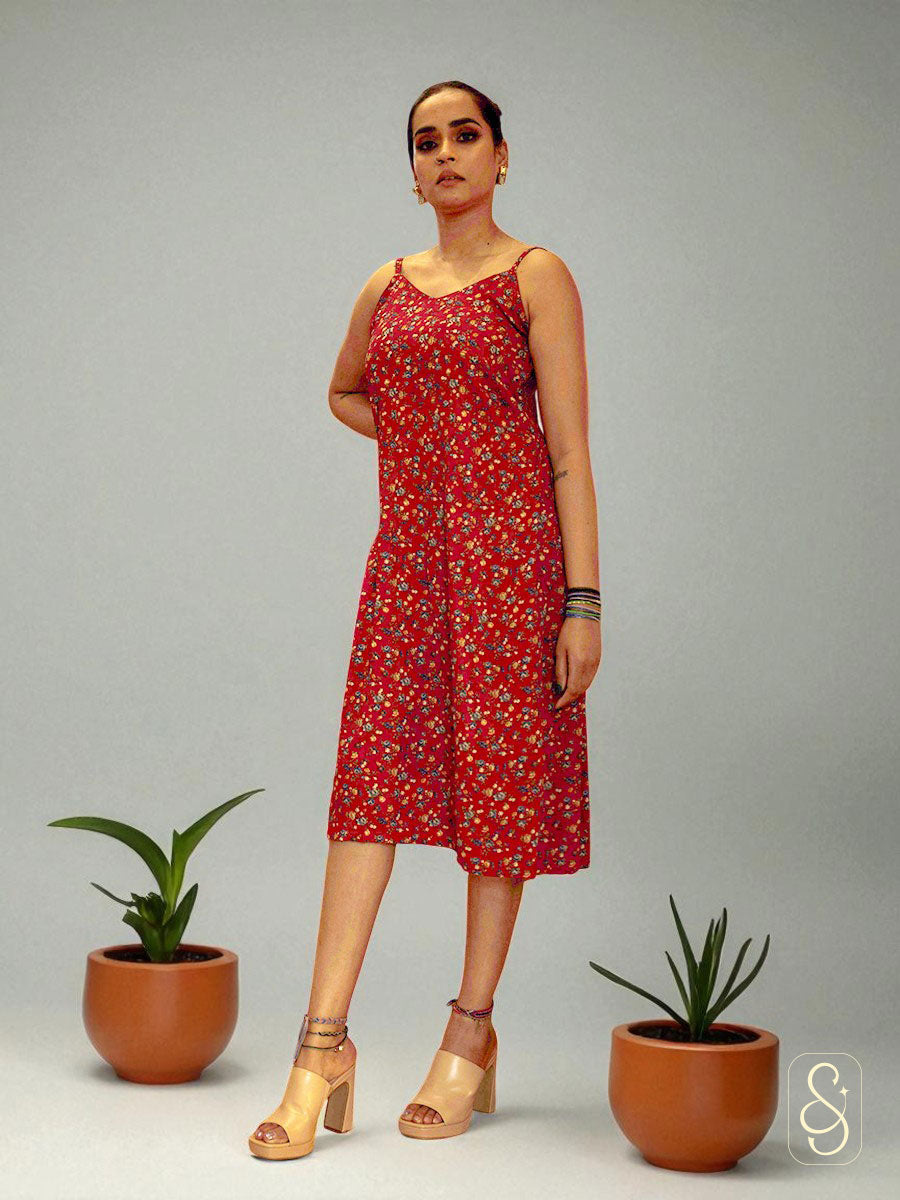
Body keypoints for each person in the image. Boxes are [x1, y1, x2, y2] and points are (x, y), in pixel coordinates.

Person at [249, 79, 602, 1160]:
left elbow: (569, 448)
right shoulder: (386, 286)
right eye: (425, 141)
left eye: (465, 135)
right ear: (411, 171)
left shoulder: (535, 276)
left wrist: (582, 603)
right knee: (368, 789)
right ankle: (322, 1047)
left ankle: (470, 1031)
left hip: (513, 571)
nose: (445, 153)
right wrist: (430, 446)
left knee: (498, 794)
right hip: (407, 568)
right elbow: (347, 391)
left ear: (501, 156)